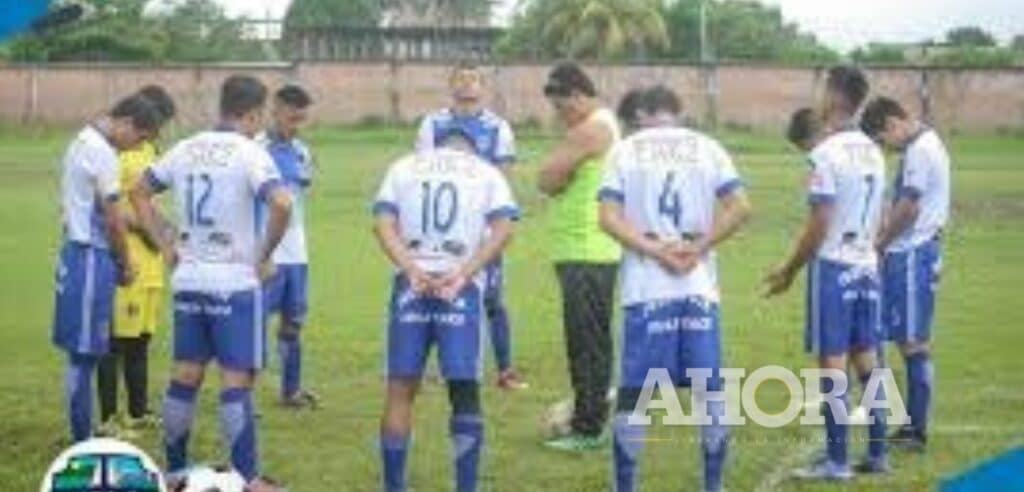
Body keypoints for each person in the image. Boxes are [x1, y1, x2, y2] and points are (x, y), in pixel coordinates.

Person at [131, 75, 292, 492]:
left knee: (185, 375)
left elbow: (139, 191)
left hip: (188, 280)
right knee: (236, 381)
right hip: (234, 283)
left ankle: (176, 472)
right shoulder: (249, 152)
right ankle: (247, 478)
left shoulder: (186, 148)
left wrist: (165, 243)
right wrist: (263, 253)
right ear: (254, 112)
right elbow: (281, 201)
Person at [600, 86, 751, 492]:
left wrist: (655, 250)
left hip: (647, 288)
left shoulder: (625, 150)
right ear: (677, 111)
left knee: (636, 394)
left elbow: (608, 218)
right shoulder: (707, 147)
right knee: (709, 391)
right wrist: (698, 247)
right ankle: (713, 485)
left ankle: (626, 487)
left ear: (643, 113)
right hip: (698, 286)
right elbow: (741, 207)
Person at [374, 128, 519, 492]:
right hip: (461, 287)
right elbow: (505, 227)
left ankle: (394, 486)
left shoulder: (403, 166)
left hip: (412, 284)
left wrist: (411, 268)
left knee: (400, 390)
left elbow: (382, 224)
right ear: (470, 150)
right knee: (464, 391)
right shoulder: (485, 172)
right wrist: (466, 271)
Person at [764, 66, 890, 480]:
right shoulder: (873, 149)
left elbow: (820, 221)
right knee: (867, 358)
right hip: (867, 266)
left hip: (835, 267)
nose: (816, 97)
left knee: (832, 363)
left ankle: (836, 462)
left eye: (821, 90)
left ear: (834, 97)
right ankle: (877, 453)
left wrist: (789, 269)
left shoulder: (826, 153)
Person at [52, 93, 164, 442]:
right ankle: (82, 438)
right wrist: (126, 261)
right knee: (84, 355)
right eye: (140, 137)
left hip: (77, 253)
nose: (137, 146)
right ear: (126, 123)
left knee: (83, 352)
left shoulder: (83, 140)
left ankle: (83, 431)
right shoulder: (102, 153)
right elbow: (114, 219)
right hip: (89, 257)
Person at [414, 61, 526, 390]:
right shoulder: (432, 124)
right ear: (451, 85)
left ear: (483, 87)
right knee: (431, 290)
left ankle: (505, 370)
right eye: (460, 79)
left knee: (491, 299)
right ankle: (423, 368)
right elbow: (419, 173)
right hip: (441, 228)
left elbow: (504, 178)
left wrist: (496, 225)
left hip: (481, 229)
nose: (467, 85)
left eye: (473, 79)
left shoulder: (498, 128)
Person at [537, 61, 622, 451]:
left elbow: (547, 178)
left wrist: (558, 169)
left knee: (585, 341)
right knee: (593, 339)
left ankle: (587, 428)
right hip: (589, 249)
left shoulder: (592, 129)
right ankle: (592, 410)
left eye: (561, 106)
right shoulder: (598, 125)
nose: (560, 116)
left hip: (586, 250)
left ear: (577, 95)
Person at [861, 96, 950, 451]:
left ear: (894, 122)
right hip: (909, 252)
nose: (887, 147)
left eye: (884, 139)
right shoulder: (924, 144)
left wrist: (880, 242)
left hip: (914, 253)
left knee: (913, 343)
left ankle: (915, 429)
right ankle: (892, 418)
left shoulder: (920, 151)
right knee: (886, 334)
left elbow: (909, 207)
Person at [96, 85, 177, 437]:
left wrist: (164, 229)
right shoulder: (116, 155)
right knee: (114, 343)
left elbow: (149, 205)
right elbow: (108, 209)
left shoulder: (148, 152)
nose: (161, 130)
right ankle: (109, 418)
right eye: (158, 123)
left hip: (151, 266)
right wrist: (144, 228)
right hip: (126, 263)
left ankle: (138, 411)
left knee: (141, 341)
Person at [260, 84, 320, 407]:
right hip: (265, 251)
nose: (295, 126)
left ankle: (291, 390)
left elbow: (302, 189)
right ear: (275, 109)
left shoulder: (301, 151)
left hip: (297, 252)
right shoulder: (255, 148)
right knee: (255, 320)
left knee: (293, 322)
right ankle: (243, 394)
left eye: (301, 120)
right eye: (291, 118)